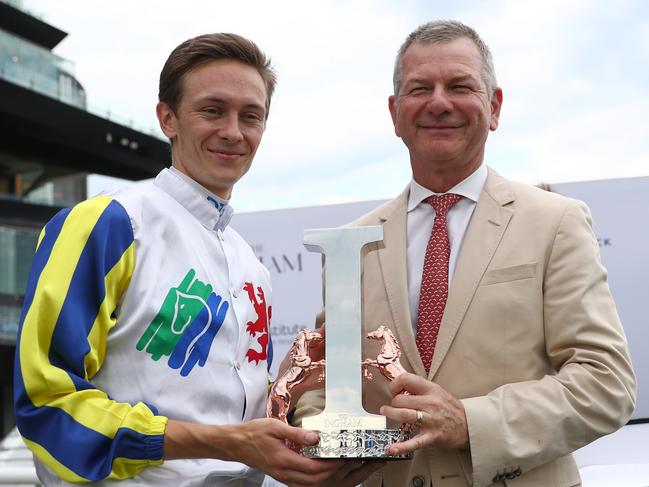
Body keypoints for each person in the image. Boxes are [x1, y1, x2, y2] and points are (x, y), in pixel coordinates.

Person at [13, 33, 374, 487]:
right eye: (212, 110)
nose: (233, 131)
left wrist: (298, 401)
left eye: (251, 116)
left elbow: (236, 418)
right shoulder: (109, 223)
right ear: (167, 118)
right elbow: (47, 407)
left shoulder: (250, 265)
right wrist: (223, 442)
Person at [293, 20, 637, 487]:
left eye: (460, 86)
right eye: (420, 88)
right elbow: (326, 384)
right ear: (395, 114)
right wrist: (326, 444)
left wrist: (470, 424)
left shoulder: (556, 222)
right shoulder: (352, 243)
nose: (439, 102)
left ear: (494, 107)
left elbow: (606, 382)